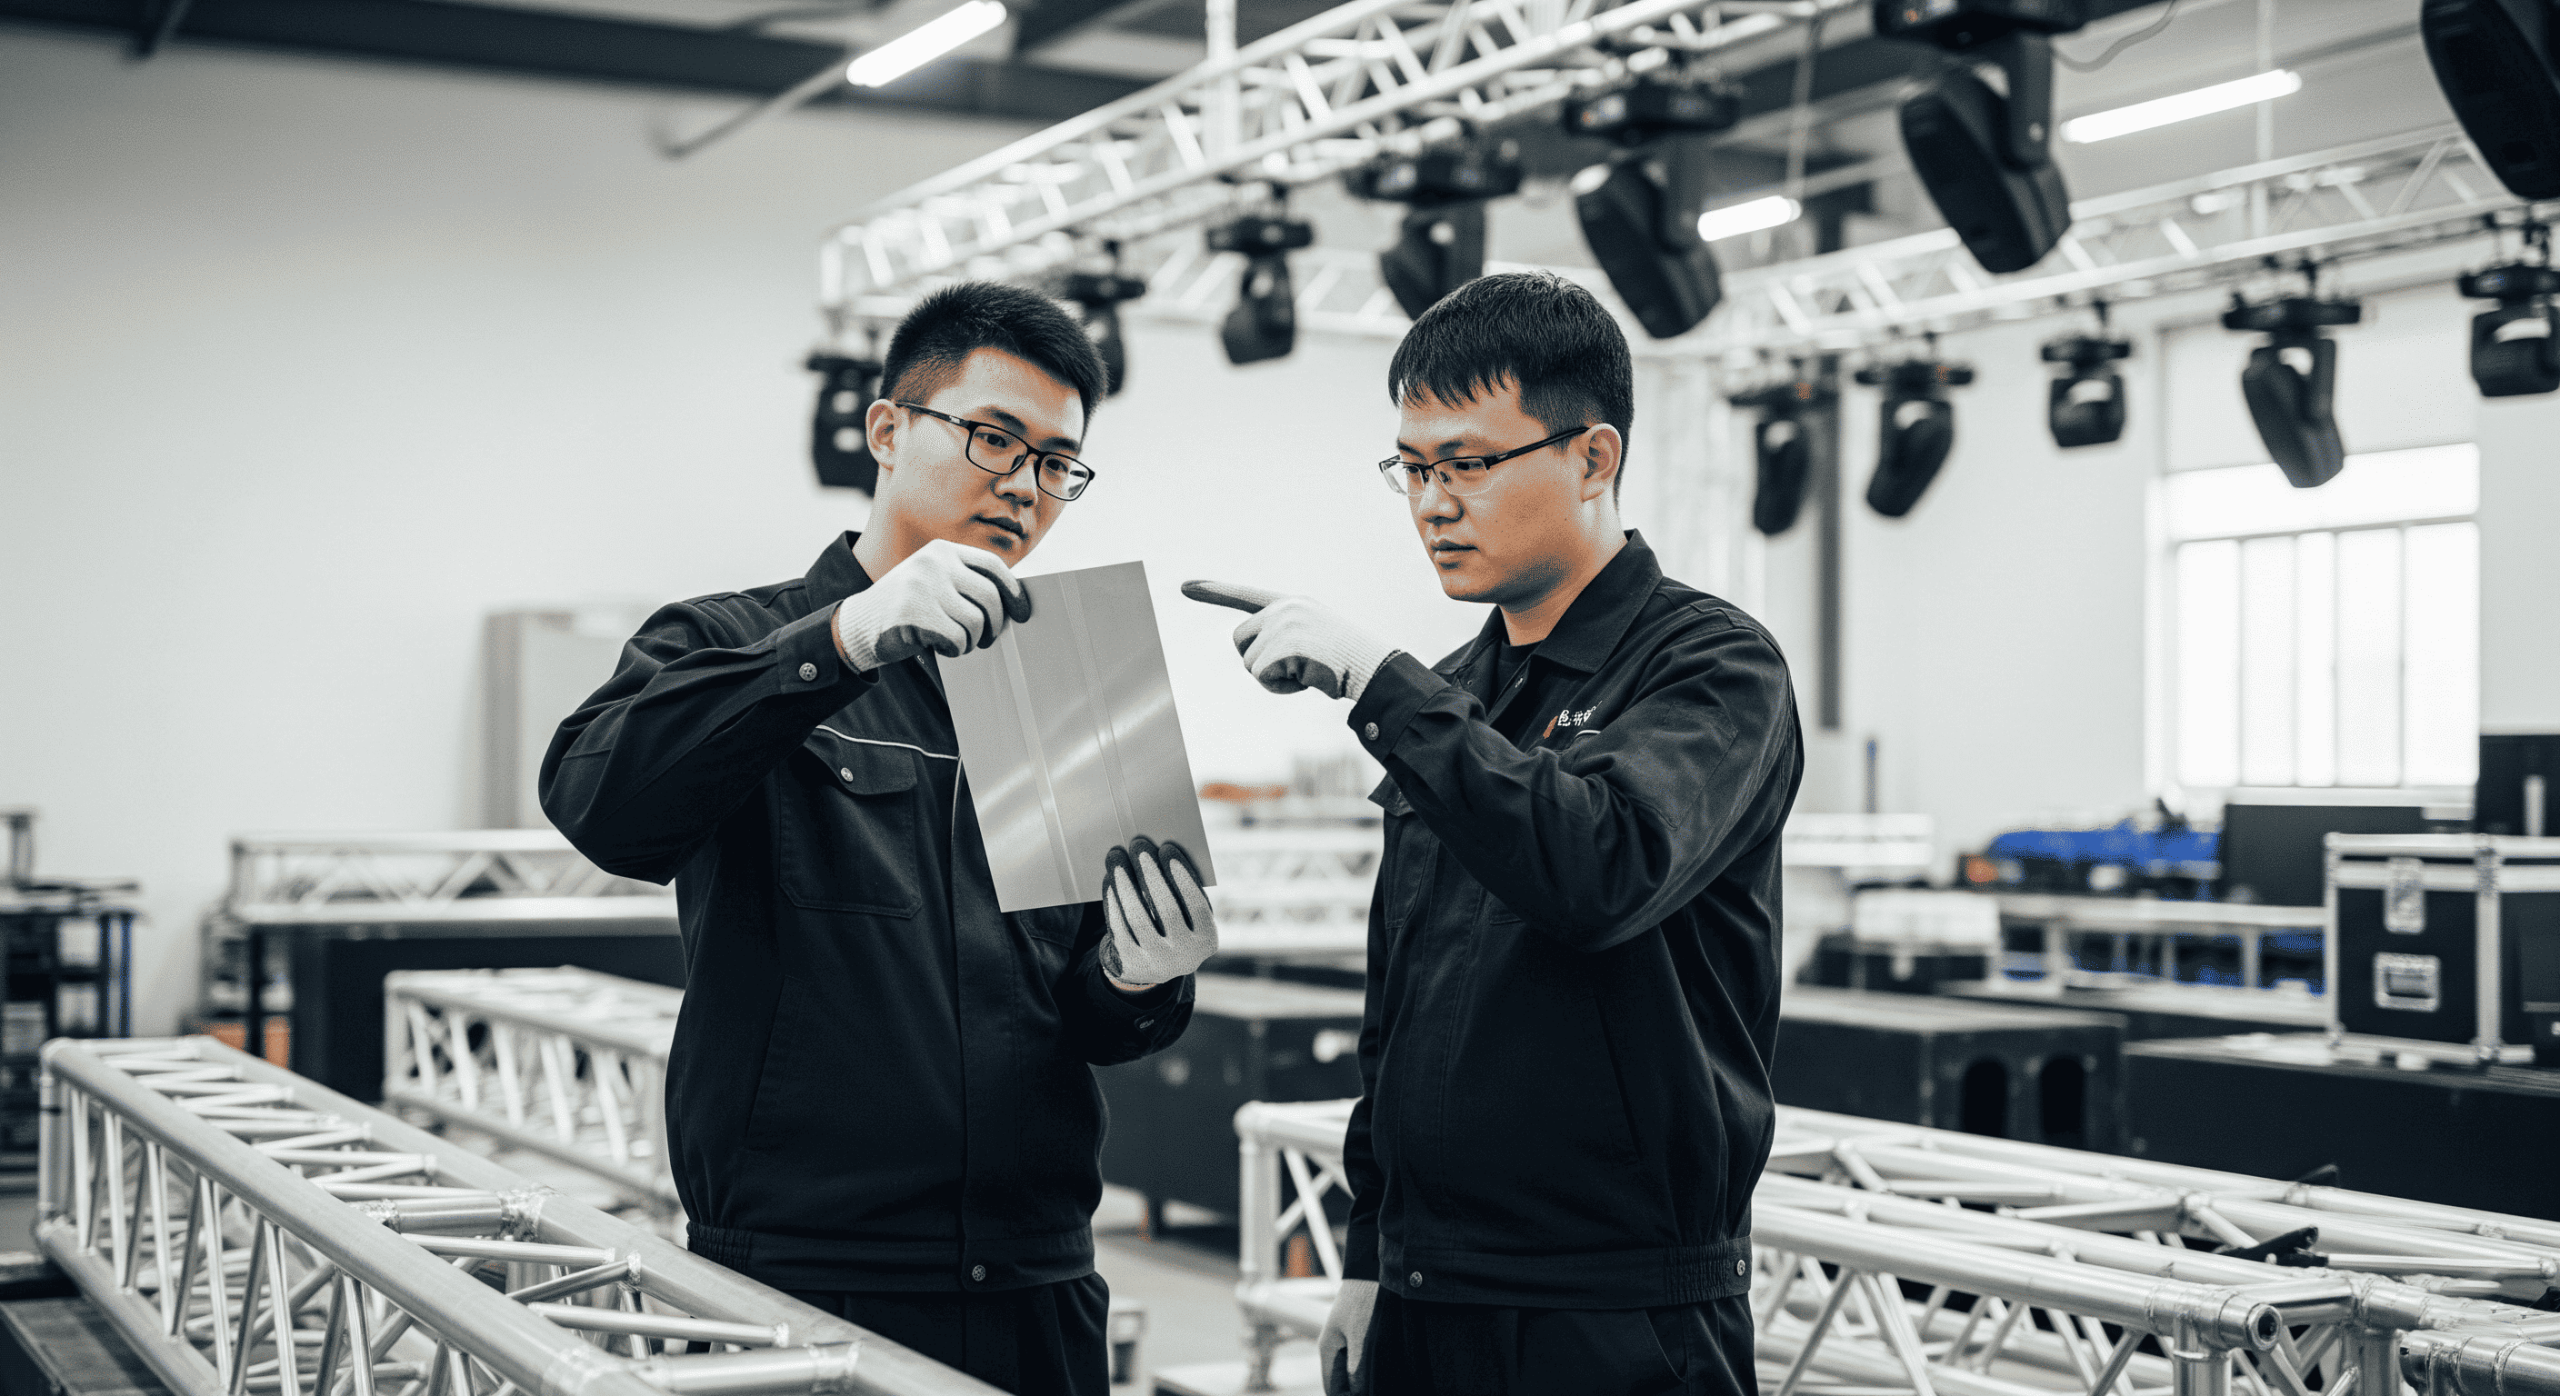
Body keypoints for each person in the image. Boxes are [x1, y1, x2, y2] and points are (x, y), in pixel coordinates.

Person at [542, 281, 1217, 1396]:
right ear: (888, 429)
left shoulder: (1067, 688)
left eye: (1058, 461)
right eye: (994, 437)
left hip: (1038, 1282)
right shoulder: (735, 638)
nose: (1025, 484)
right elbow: (602, 805)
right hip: (802, 1288)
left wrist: (1140, 978)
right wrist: (841, 642)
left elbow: (1087, 1016)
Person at [1185, 270, 1803, 1396]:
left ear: (1594, 457)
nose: (1431, 503)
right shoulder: (1454, 693)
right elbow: (1400, 1006)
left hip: (1615, 1312)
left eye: (1466, 464)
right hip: (1429, 1292)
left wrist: (1378, 681)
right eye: (1412, 469)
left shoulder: (1712, 666)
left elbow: (1599, 869)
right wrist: (1368, 1255)